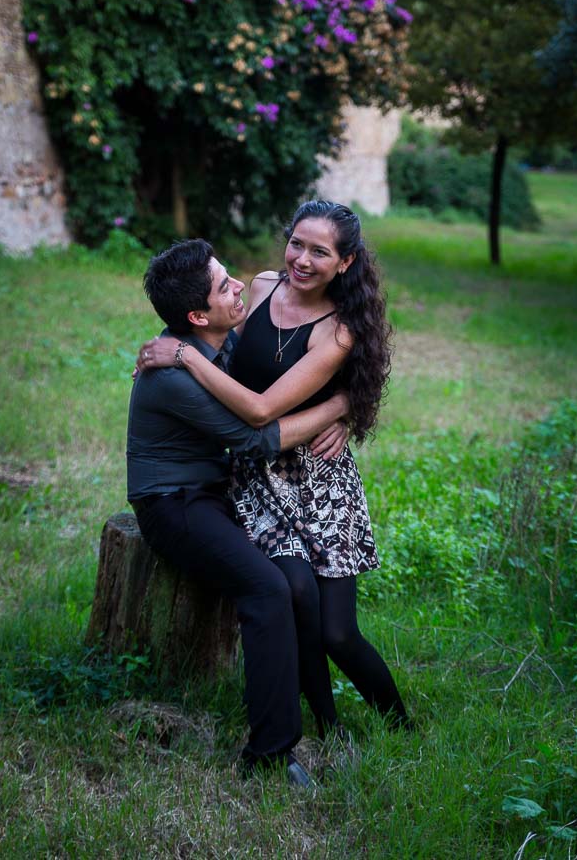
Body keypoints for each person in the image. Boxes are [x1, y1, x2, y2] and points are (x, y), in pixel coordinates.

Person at [137, 202, 411, 740]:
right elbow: (221, 346)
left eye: (320, 252)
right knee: (294, 594)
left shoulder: (340, 330)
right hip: (255, 481)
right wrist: (178, 346)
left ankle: (401, 726)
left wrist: (345, 408)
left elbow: (262, 410)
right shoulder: (261, 287)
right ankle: (326, 726)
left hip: (318, 480)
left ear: (346, 263)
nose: (302, 260)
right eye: (297, 244)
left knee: (337, 631)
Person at [127, 238, 352, 786]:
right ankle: (272, 752)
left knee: (296, 580)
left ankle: (325, 716)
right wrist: (343, 405)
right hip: (174, 504)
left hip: (218, 489)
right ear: (197, 314)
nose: (238, 286)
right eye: (225, 285)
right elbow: (256, 439)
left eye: (230, 276)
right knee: (267, 587)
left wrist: (343, 415)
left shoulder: (213, 342)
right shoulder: (174, 374)